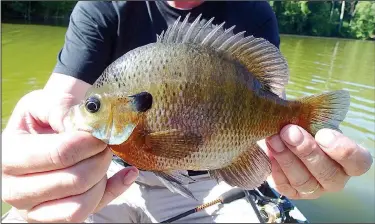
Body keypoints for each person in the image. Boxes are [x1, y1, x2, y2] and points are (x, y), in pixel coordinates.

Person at [2, 1, 373, 223]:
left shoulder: (252, 10)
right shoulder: (102, 6)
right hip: (106, 176)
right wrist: (41, 158)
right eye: (97, 107)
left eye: (97, 107)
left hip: (213, 181)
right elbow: (64, 105)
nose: (90, 111)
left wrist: (291, 163)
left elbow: (269, 95)